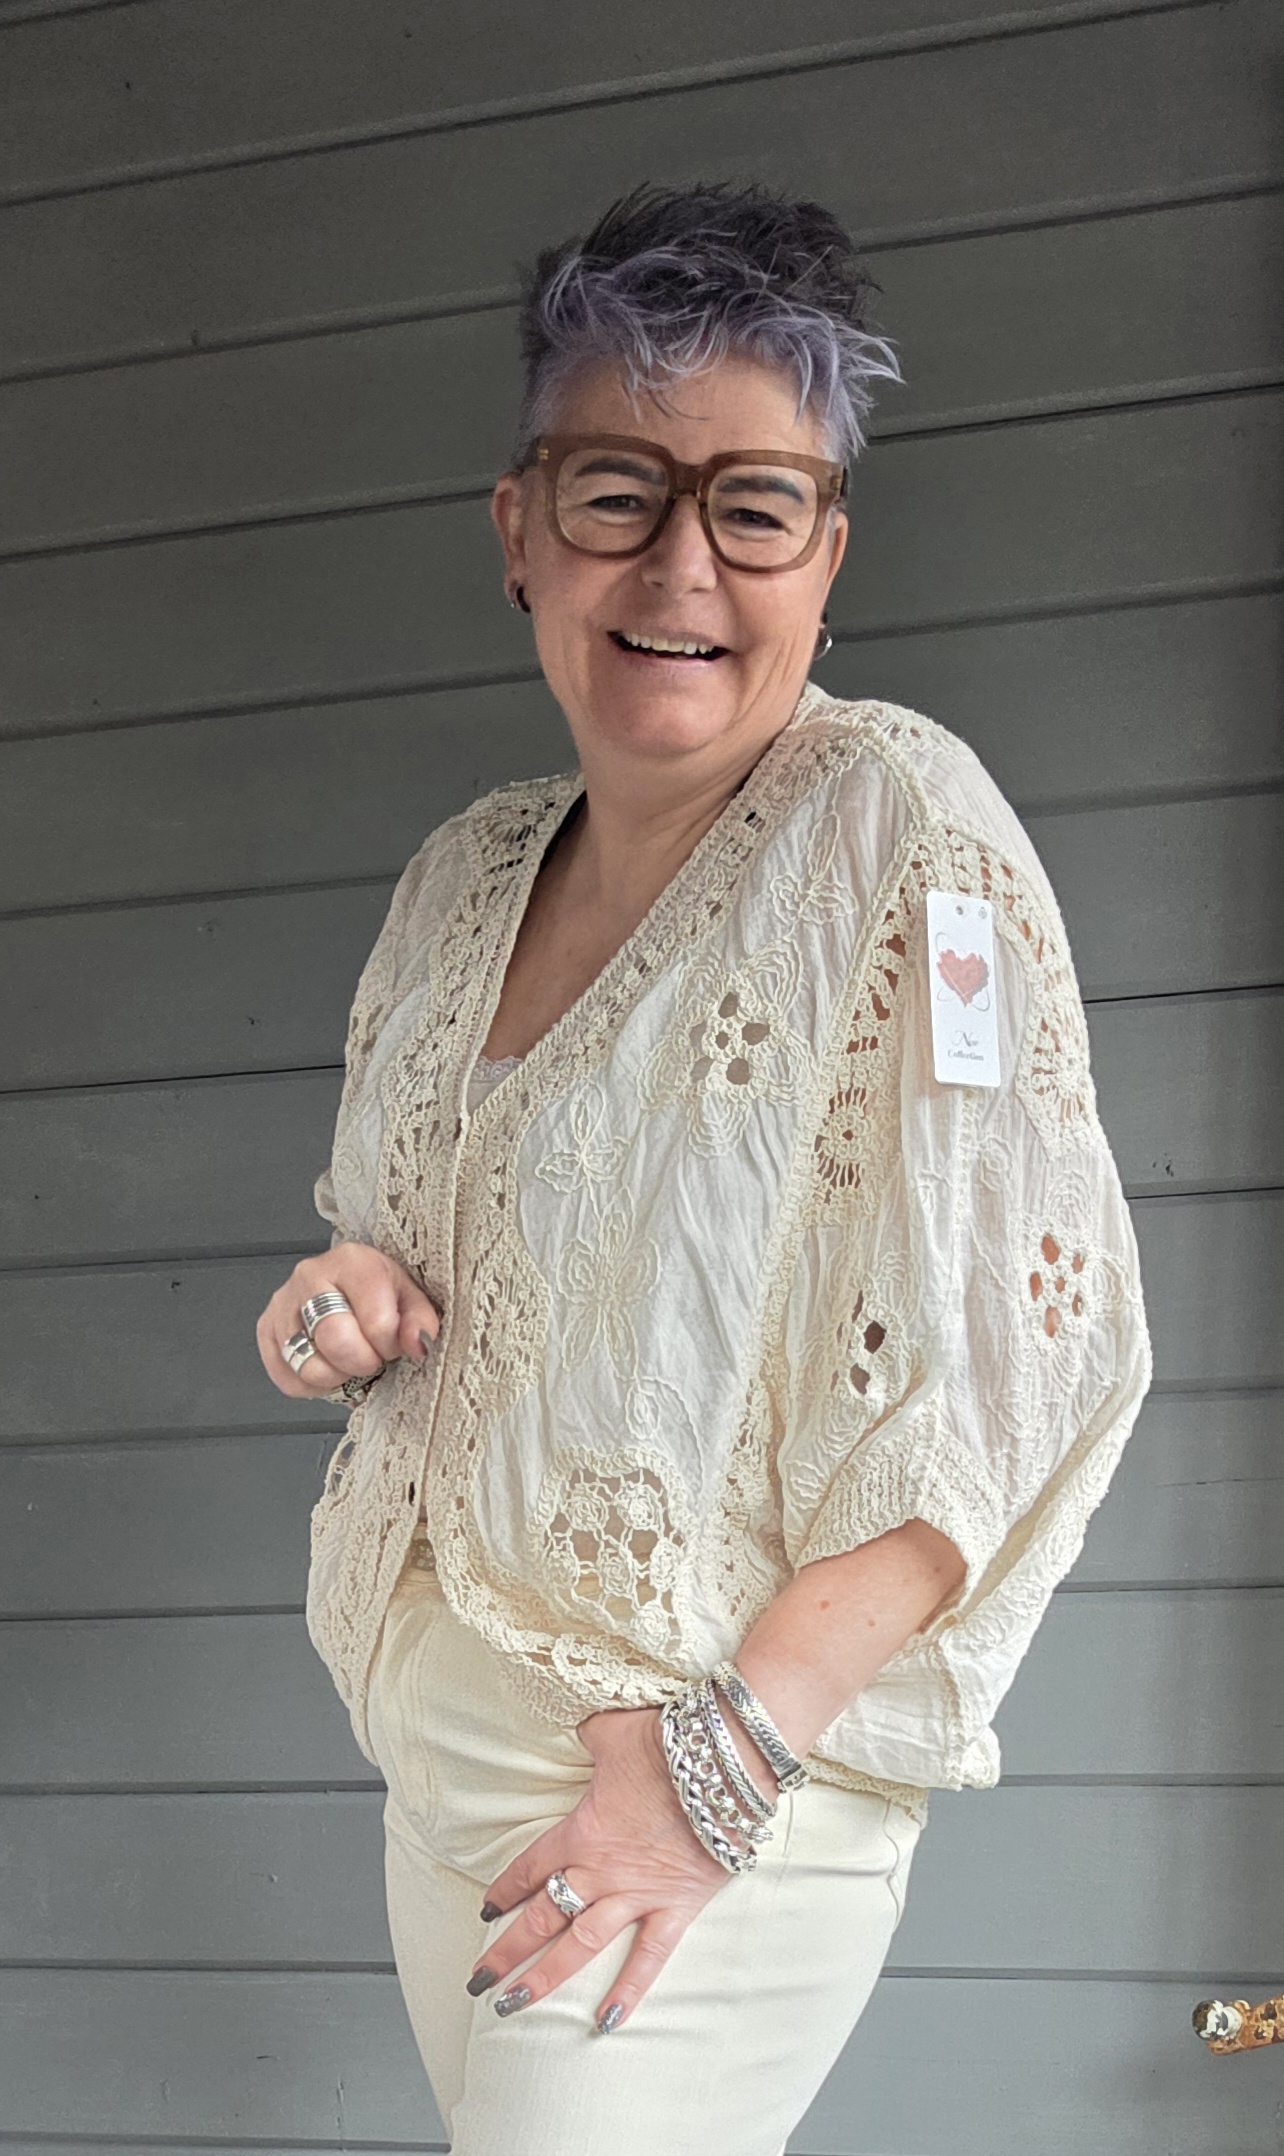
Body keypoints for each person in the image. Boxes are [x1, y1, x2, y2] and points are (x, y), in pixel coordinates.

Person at [256, 180, 1152, 2155]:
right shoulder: (463, 879)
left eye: (754, 504)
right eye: (617, 491)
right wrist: (337, 1308)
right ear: (520, 531)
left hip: (696, 1780)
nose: (682, 562)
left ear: (826, 553)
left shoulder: (898, 828)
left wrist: (715, 1771)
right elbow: (401, 1260)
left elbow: (1018, 1367)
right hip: (442, 1752)